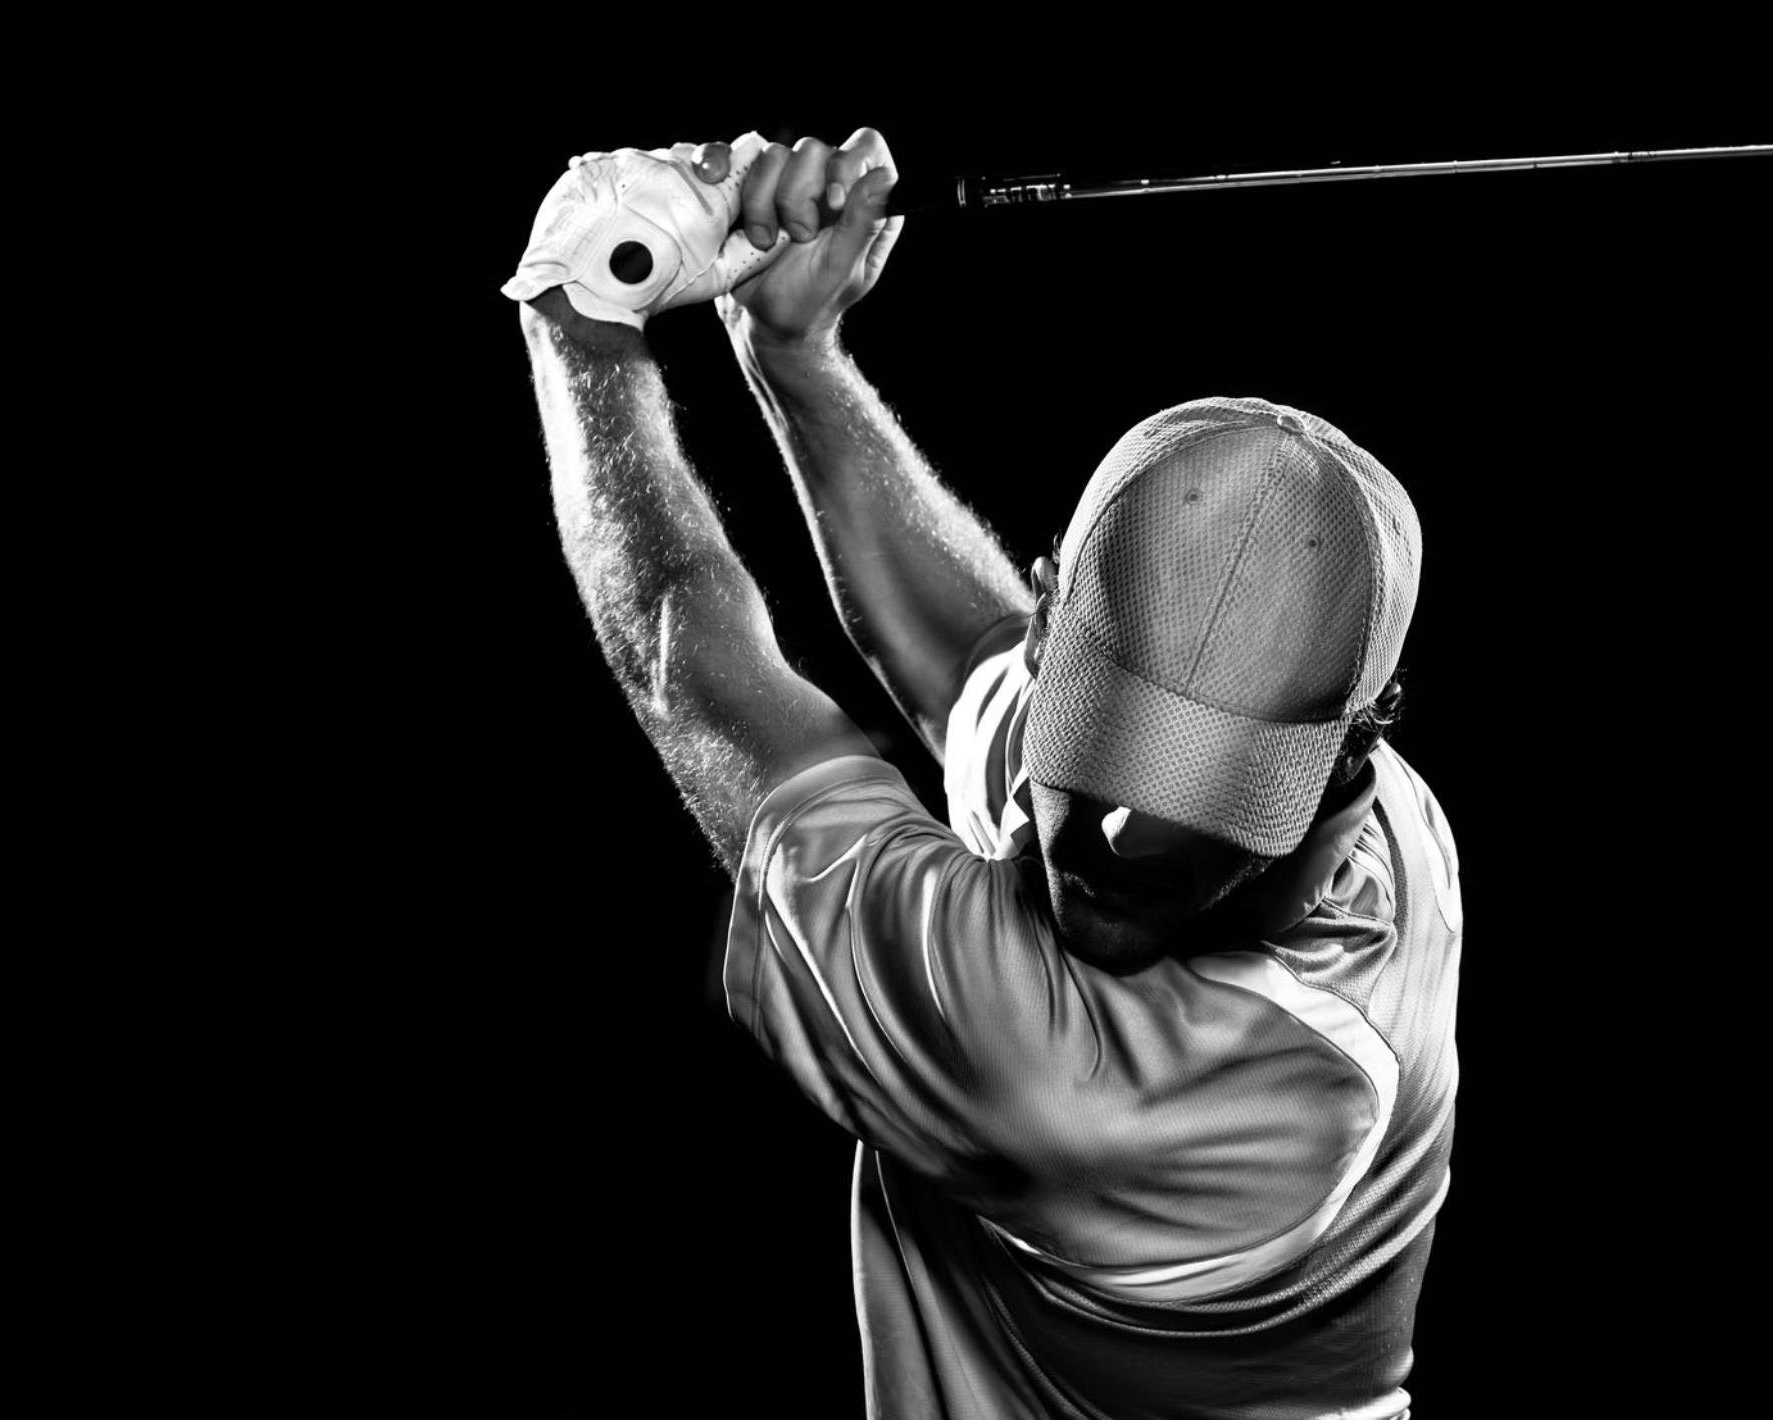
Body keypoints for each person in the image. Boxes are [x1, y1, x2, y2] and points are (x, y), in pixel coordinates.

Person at [505, 126, 1465, 1419]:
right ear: (1052, 617)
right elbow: (963, 663)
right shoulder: (1352, 783)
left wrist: (581, 309)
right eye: (1106, 751)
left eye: (1200, 806)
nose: (1111, 847)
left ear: (1358, 741)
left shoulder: (1099, 1085)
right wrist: (792, 355)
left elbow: (689, 664)